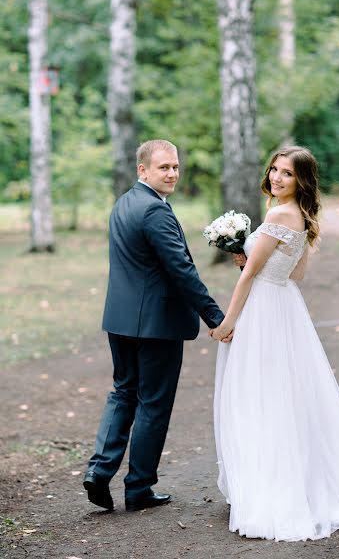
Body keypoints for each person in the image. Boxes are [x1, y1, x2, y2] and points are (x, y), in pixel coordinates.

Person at [210, 146, 339, 541]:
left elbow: (250, 279)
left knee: (254, 395)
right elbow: (294, 273)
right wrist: (253, 258)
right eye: (275, 170)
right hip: (284, 305)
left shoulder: (279, 214)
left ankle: (267, 486)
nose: (278, 178)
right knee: (283, 394)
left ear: (302, 180)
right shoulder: (301, 216)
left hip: (263, 308)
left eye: (288, 174)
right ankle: (282, 477)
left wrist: (229, 319)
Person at [83, 139, 228, 512]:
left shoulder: (124, 204)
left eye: (176, 166)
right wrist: (217, 317)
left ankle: (99, 472)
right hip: (156, 325)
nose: (173, 173)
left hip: (121, 318)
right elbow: (182, 270)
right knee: (152, 403)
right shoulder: (155, 211)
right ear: (142, 170)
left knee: (123, 392)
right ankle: (139, 488)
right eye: (164, 167)